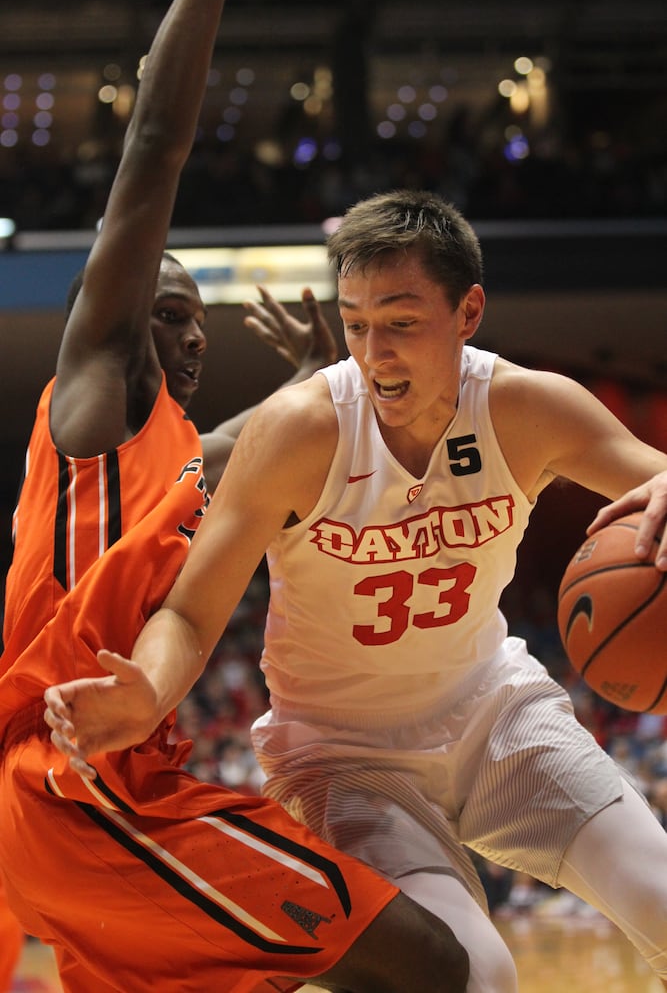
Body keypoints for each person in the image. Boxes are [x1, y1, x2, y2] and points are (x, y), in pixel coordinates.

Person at [45, 187, 667, 993]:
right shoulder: (298, 430)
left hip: (497, 715)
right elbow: (194, 615)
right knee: (479, 976)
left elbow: (651, 473)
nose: (375, 352)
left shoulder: (527, 407)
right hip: (343, 754)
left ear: (467, 311)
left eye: (402, 323)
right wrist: (149, 693)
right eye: (356, 324)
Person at [0, 0, 470, 988]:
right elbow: (156, 149)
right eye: (169, 313)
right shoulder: (94, 396)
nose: (193, 334)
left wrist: (307, 385)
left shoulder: (169, 460)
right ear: (119, 324)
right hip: (77, 793)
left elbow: (234, 449)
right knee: (425, 964)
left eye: (199, 321)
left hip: (107, 793)